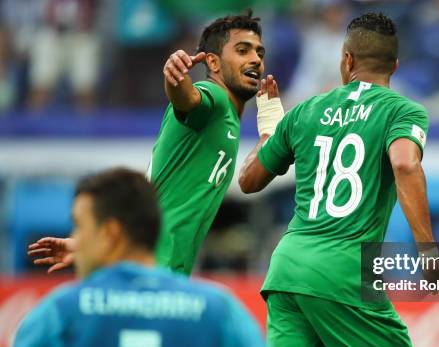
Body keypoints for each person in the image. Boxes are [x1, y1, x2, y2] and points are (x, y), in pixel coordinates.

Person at [239, 12, 439, 347]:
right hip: (345, 269)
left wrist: (269, 126)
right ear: (395, 67)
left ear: (346, 60)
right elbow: (404, 163)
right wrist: (429, 254)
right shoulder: (404, 111)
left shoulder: (305, 110)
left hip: (287, 267)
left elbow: (249, 180)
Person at [0, 168, 289, 347]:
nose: (73, 239)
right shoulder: (220, 310)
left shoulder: (63, 308)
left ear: (111, 233)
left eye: (78, 226)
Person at [29, 10, 283, 275]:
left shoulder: (225, 120)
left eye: (260, 53)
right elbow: (188, 98)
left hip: (152, 267)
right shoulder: (214, 99)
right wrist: (175, 79)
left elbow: (156, 196)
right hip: (156, 272)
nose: (256, 60)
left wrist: (94, 246)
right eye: (243, 50)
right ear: (214, 63)